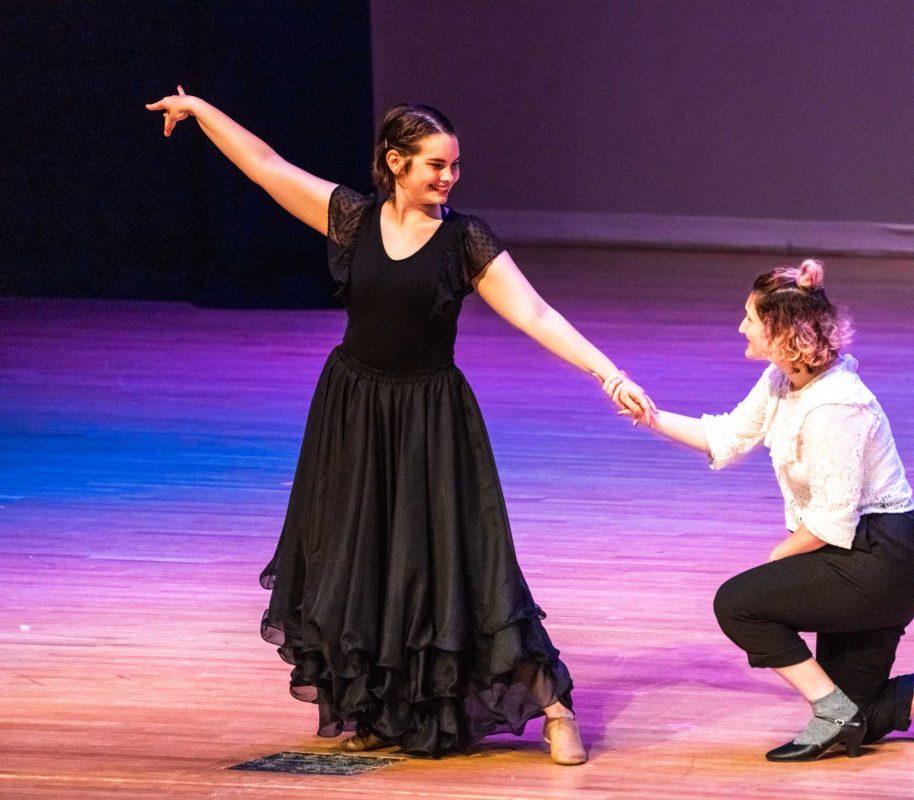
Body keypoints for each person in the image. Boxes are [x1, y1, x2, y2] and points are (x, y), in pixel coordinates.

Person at [146, 88, 654, 765]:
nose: (448, 178)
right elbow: (266, 166)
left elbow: (534, 314)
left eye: (454, 166)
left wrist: (608, 373)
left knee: (465, 564)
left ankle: (553, 705)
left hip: (429, 419)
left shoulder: (464, 240)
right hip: (353, 411)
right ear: (395, 163)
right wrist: (205, 113)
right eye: (435, 166)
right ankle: (383, 708)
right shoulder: (353, 220)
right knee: (364, 563)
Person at [626, 259, 914, 761]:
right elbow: (726, 437)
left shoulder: (836, 406)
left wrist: (776, 563)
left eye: (751, 319)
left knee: (738, 603)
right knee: (860, 717)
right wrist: (650, 416)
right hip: (856, 553)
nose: (741, 327)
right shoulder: (784, 380)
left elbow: (829, 520)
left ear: (781, 334)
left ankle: (831, 712)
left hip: (882, 561)